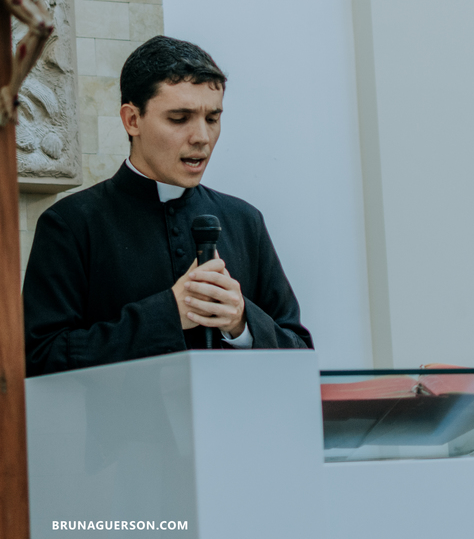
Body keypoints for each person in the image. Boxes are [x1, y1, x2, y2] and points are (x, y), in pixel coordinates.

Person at [23, 36, 312, 376]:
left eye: (213, 118)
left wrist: (242, 322)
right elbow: (41, 358)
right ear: (132, 120)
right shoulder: (70, 223)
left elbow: (301, 355)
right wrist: (168, 313)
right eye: (179, 118)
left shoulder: (245, 220)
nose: (201, 137)